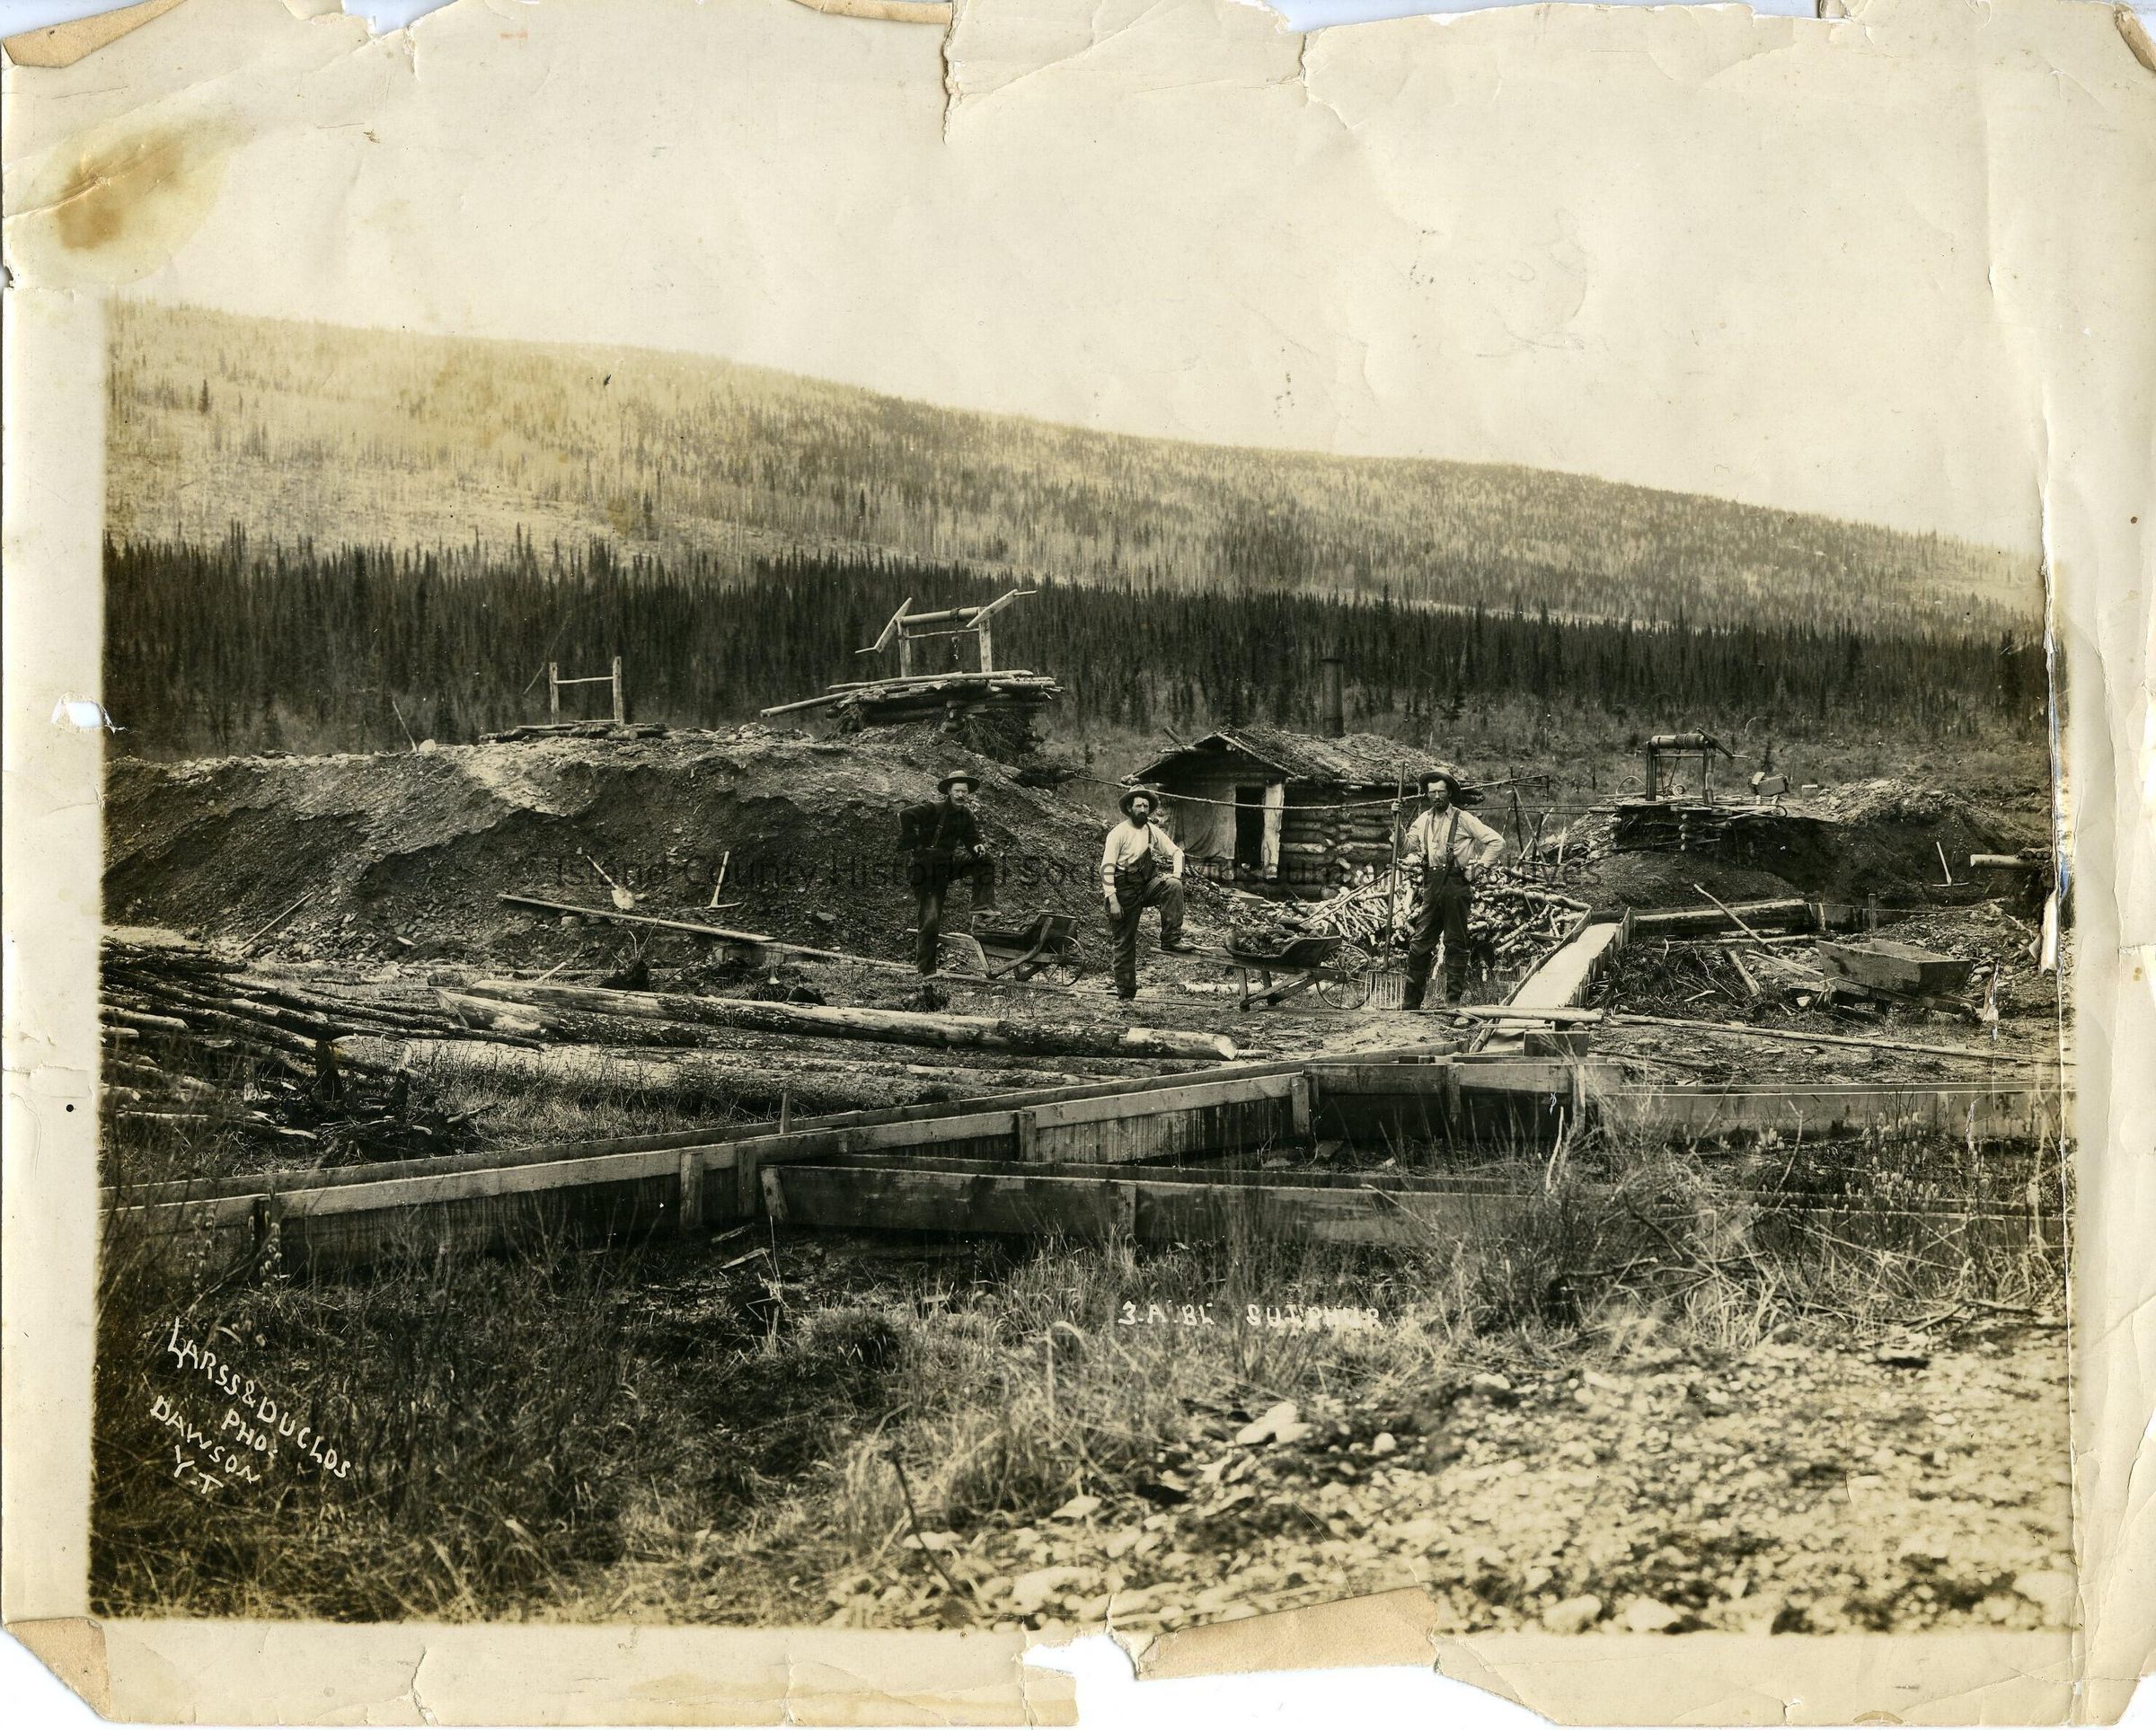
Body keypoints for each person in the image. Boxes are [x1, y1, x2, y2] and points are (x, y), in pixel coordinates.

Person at [1398, 766, 1506, 1009]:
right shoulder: (1423, 820)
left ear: (1449, 793)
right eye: (1432, 792)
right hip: (1431, 885)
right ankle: (1410, 1005)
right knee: (1420, 944)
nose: (1436, 797)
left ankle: (1452, 1004)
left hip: (1456, 885)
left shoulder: (1463, 819)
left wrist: (1477, 870)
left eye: (1441, 792)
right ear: (1427, 794)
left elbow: (1497, 842)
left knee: (1455, 944)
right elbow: (1406, 848)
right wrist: (1395, 826)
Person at [897, 771, 996, 975]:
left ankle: (981, 908)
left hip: (946, 865)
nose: (961, 795)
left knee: (985, 859)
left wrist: (976, 846)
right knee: (931, 919)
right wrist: (915, 844)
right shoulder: (934, 808)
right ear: (949, 791)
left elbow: (971, 837)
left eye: (964, 792)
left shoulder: (966, 815)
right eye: (957, 791)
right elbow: (904, 815)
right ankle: (926, 970)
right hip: (925, 869)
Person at [1100, 785, 1189, 999]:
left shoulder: (1151, 830)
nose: (1143, 810)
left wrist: (1177, 874)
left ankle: (1170, 939)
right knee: (1125, 941)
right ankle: (1126, 992)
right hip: (1123, 890)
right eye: (1138, 806)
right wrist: (1112, 899)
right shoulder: (1118, 833)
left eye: (1146, 806)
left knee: (1173, 885)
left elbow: (1176, 852)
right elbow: (1106, 867)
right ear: (1129, 808)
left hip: (1146, 885)